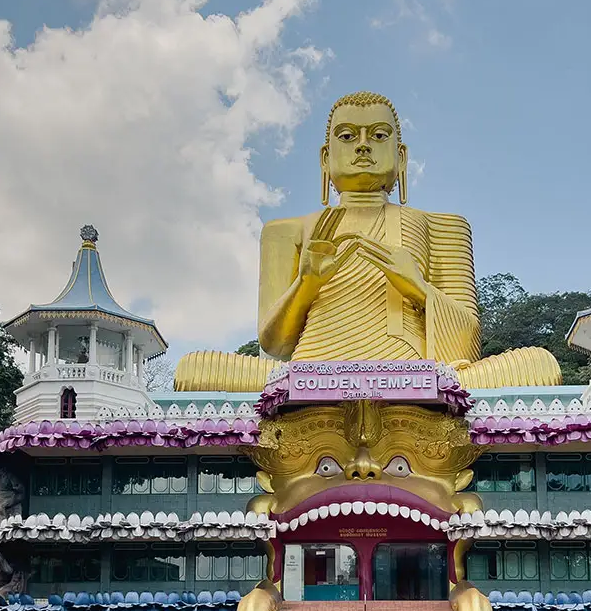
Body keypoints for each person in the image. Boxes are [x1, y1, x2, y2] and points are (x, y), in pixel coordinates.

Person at [174, 91, 561, 391]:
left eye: (378, 135)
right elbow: (275, 345)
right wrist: (306, 284)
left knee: (541, 365)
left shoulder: (443, 225)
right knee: (194, 369)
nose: (363, 146)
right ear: (326, 159)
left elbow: (465, 345)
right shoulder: (285, 231)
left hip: (415, 375)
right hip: (310, 374)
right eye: (347, 136)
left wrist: (420, 288)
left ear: (401, 157)